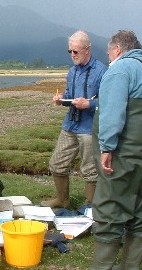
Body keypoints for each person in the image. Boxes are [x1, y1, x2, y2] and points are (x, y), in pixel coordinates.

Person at [91, 30, 142, 269]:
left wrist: (107, 148)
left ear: (118, 49)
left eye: (109, 52)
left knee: (110, 212)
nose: (108, 57)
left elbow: (113, 113)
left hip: (123, 156)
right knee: (140, 214)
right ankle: (130, 266)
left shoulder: (120, 70)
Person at [41, 30, 107, 208]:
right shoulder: (72, 72)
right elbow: (70, 95)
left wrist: (89, 105)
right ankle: (62, 201)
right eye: (70, 51)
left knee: (90, 170)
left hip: (89, 127)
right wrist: (61, 98)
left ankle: (90, 206)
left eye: (76, 51)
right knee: (56, 164)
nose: (72, 55)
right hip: (70, 125)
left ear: (87, 49)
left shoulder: (102, 71)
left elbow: (109, 100)